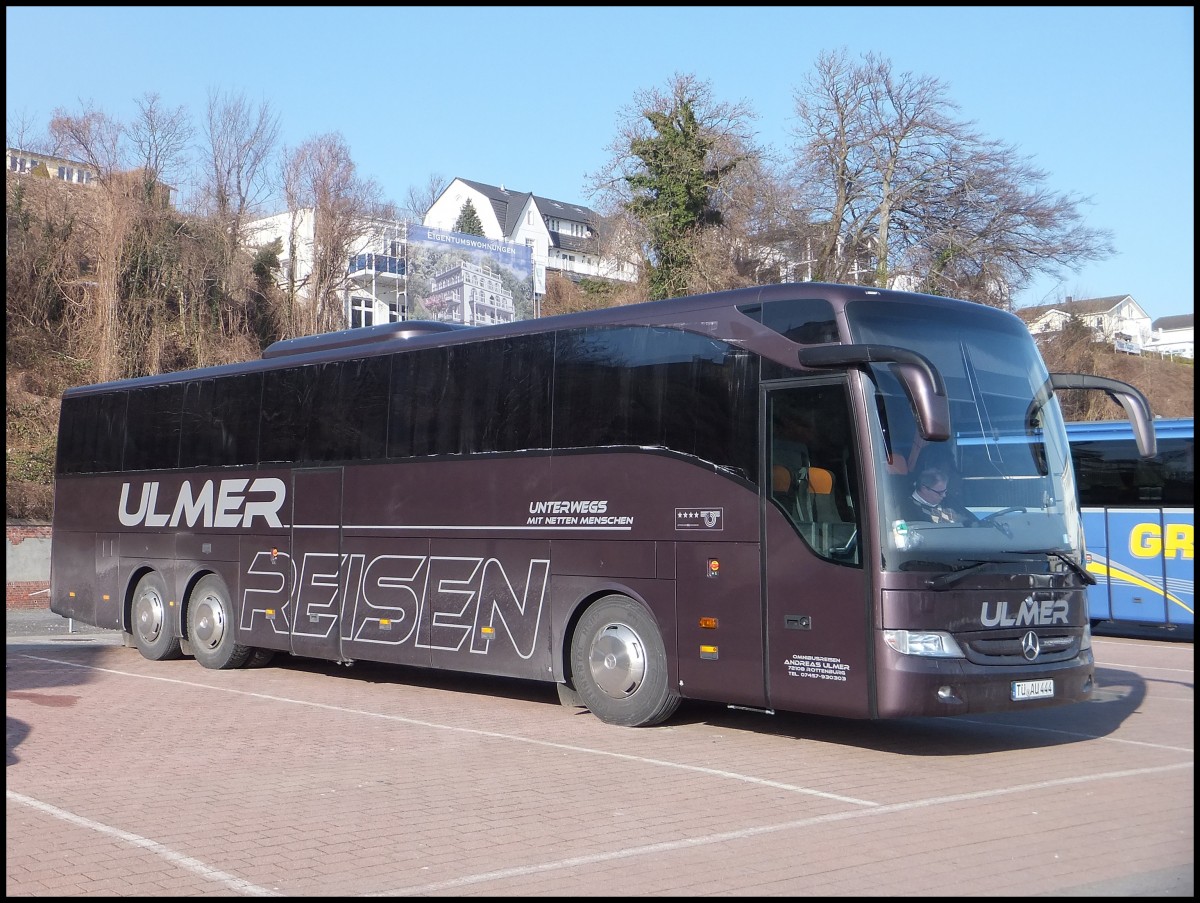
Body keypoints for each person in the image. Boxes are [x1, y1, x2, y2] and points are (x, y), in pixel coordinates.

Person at [901, 451, 978, 525]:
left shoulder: (949, 500)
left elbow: (973, 521)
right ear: (924, 489)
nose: (944, 495)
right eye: (940, 492)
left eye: (945, 491)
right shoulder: (907, 509)